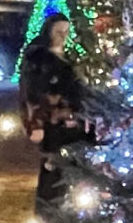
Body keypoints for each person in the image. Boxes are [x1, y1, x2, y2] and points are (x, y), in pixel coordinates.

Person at [19, 13, 91, 208]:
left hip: (74, 123)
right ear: (49, 31)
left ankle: (70, 209)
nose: (62, 36)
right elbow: (34, 91)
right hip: (54, 124)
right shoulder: (40, 60)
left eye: (66, 31)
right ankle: (48, 210)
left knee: (74, 166)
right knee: (54, 167)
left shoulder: (71, 59)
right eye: (58, 31)